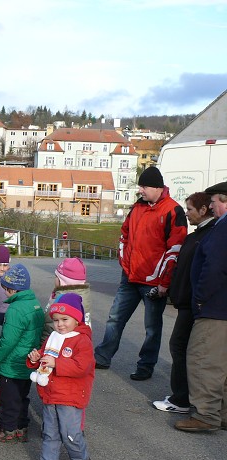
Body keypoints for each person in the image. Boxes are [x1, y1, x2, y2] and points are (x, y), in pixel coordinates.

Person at [94, 166, 187, 380]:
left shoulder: (173, 211)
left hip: (154, 282)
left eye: (143, 186)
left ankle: (146, 366)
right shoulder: (137, 208)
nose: (140, 190)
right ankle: (102, 357)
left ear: (156, 187)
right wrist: (124, 262)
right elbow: (124, 234)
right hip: (130, 276)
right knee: (115, 318)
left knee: (152, 327)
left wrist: (164, 282)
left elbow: (175, 249)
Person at [154, 193, 215, 414]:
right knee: (182, 347)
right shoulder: (197, 235)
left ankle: (181, 399)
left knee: (180, 347)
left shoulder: (209, 235)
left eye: (189, 209)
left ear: (203, 210)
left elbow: (204, 272)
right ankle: (184, 396)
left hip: (193, 304)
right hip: (186, 302)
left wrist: (195, 298)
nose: (186, 213)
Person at [175, 183, 227, 433]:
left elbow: (215, 267)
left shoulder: (223, 228)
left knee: (203, 359)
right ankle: (223, 413)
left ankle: (206, 414)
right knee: (222, 363)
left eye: (215, 201)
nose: (212, 206)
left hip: (215, 308)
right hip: (219, 307)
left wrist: (200, 299)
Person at [26, 294, 94, 460]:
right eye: (56, 320)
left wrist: (57, 363)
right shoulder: (53, 337)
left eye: (65, 319)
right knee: (50, 432)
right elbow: (45, 355)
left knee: (70, 433)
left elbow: (82, 367)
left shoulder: (81, 340)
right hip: (51, 394)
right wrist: (35, 358)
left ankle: (80, 459)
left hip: (70, 396)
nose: (60, 324)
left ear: (77, 318)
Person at [0, 263, 45, 442]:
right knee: (22, 397)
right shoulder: (35, 304)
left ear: (12, 289)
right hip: (27, 363)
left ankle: (8, 429)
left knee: (9, 400)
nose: (5, 292)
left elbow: (8, 341)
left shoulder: (15, 309)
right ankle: (22, 426)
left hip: (12, 365)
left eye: (5, 289)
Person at [42, 257, 91, 341]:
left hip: (56, 345)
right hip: (79, 343)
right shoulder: (83, 295)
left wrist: (43, 344)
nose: (55, 279)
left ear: (62, 280)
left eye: (56, 276)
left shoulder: (60, 301)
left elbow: (50, 325)